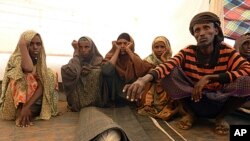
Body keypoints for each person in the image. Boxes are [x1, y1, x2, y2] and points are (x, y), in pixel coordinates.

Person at [123, 12, 250, 135]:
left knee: (247, 80)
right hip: (193, 99)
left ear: (216, 30)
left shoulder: (226, 51)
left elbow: (247, 69)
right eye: (197, 30)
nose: (201, 33)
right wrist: (143, 80)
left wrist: (210, 78)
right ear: (194, 35)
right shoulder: (188, 51)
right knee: (168, 73)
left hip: (219, 100)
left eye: (206, 28)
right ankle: (190, 114)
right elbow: (168, 65)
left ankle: (220, 118)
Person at [0, 30, 59, 127]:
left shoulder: (39, 62)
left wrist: (27, 107)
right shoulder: (16, 58)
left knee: (49, 73)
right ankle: (20, 112)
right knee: (21, 75)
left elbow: (41, 85)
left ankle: (27, 111)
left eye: (38, 44)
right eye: (31, 44)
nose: (35, 47)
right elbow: (28, 68)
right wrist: (23, 46)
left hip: (33, 103)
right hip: (16, 103)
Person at [102, 32, 153, 106]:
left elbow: (142, 70)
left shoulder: (133, 56)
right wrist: (116, 51)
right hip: (115, 96)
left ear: (130, 44)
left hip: (131, 93)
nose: (122, 46)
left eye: (125, 43)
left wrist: (129, 50)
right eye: (119, 43)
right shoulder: (111, 56)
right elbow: (106, 71)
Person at [138, 36, 179, 121]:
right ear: (152, 48)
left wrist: (164, 60)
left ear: (167, 48)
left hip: (167, 89)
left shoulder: (173, 61)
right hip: (151, 88)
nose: (159, 50)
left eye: (162, 47)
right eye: (156, 47)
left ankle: (168, 108)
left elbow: (175, 77)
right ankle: (149, 105)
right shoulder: (147, 61)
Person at [61, 36, 104, 112]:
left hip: (95, 99)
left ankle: (91, 103)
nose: (83, 50)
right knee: (67, 70)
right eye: (80, 47)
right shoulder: (75, 59)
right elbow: (72, 71)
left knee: (97, 73)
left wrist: (91, 70)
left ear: (92, 48)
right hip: (78, 100)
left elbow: (103, 70)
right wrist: (76, 52)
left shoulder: (98, 60)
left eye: (87, 47)